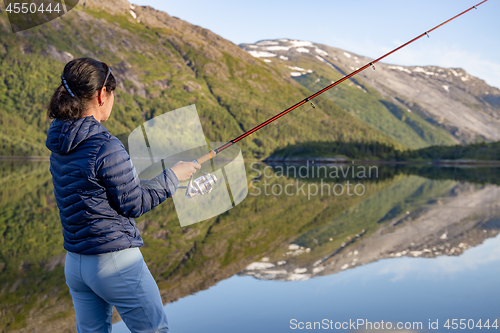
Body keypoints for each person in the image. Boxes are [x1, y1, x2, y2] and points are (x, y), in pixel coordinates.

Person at [45, 58, 200, 333]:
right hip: (115, 264)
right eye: (113, 93)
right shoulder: (105, 145)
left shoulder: (59, 143)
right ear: (102, 95)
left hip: (76, 265)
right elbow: (134, 203)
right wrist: (174, 176)